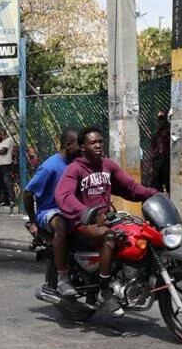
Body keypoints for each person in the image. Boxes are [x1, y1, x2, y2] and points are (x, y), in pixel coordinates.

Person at [55, 126, 158, 317]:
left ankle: (129, 278)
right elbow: (64, 196)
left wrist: (154, 194)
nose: (98, 145)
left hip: (106, 220)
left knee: (137, 234)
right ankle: (104, 289)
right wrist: (87, 213)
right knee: (110, 237)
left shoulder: (108, 166)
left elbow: (130, 187)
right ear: (82, 146)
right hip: (83, 222)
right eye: (93, 142)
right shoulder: (74, 169)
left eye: (100, 141)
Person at [23, 128, 81, 297]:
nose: (83, 147)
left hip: (71, 208)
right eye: (79, 143)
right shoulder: (50, 166)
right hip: (49, 211)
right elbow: (27, 193)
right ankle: (62, 278)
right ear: (68, 144)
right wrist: (33, 222)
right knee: (61, 225)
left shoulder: (78, 163)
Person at [0, 130, 17, 206]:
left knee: (7, 182)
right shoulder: (0, 143)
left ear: (2, 134)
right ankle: (6, 201)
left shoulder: (9, 140)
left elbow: (3, 151)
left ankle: (11, 200)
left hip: (6, 164)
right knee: (2, 183)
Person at [150, 110, 170, 193]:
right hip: (158, 160)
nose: (161, 121)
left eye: (162, 118)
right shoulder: (157, 133)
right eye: (159, 119)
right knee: (156, 182)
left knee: (167, 181)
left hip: (166, 159)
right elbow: (154, 147)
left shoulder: (169, 131)